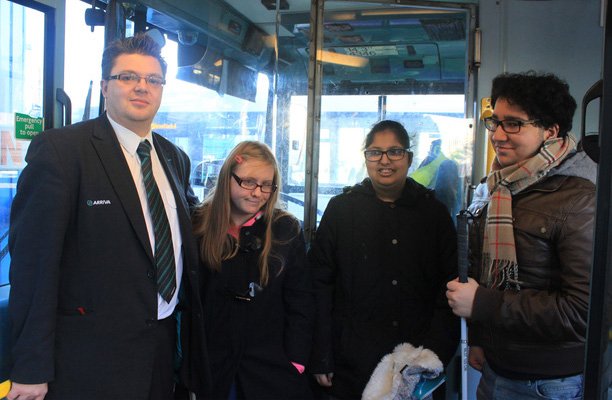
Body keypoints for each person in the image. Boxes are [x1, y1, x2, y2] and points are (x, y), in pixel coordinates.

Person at [7, 32, 208, 400]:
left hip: (161, 354)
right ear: (104, 86)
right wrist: (31, 368)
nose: (141, 87)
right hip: (88, 362)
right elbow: (34, 268)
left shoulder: (174, 158)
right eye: (127, 77)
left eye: (153, 80)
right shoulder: (62, 152)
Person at [446, 71, 597, 399]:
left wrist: (482, 304)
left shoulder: (580, 197)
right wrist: (481, 338)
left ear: (551, 130)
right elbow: (485, 273)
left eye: (513, 124)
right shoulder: (500, 186)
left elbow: (583, 313)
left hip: (549, 382)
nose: (498, 135)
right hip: (497, 367)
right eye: (494, 122)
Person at [309, 120, 459, 399]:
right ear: (366, 157)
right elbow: (319, 285)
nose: (384, 160)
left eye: (395, 152)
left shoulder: (434, 213)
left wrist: (434, 354)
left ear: (409, 158)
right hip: (351, 358)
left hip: (416, 360)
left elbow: (448, 289)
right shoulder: (342, 210)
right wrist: (321, 354)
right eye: (375, 152)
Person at [192, 141, 314, 399]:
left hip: (272, 367)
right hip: (214, 364)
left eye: (266, 185)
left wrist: (296, 361)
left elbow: (301, 302)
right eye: (248, 182)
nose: (257, 192)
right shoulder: (198, 225)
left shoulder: (285, 229)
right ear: (228, 179)